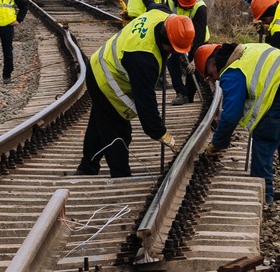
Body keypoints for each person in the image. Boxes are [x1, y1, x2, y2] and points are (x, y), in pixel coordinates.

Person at [198, 41, 280, 203]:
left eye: (210, 75)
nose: (213, 79)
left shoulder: (232, 71)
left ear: (212, 63)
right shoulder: (246, 49)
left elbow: (231, 115)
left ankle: (263, 196)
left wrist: (218, 143)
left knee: (264, 136)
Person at [78, 13, 198, 177]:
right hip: (106, 78)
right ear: (165, 42)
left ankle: (87, 168)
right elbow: (146, 102)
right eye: (173, 49)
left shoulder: (161, 15)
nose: (173, 53)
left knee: (99, 123)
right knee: (118, 129)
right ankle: (121, 176)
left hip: (100, 62)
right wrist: (160, 132)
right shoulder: (144, 58)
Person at [167, 0, 208, 103]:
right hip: (176, 37)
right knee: (171, 60)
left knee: (193, 68)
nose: (187, 8)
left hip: (196, 39)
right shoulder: (170, 2)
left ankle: (189, 94)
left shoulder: (200, 8)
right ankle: (181, 92)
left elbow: (199, 36)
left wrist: (195, 60)